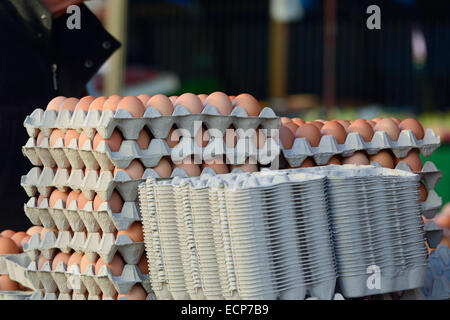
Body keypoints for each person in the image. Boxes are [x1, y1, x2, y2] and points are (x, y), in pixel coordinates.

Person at [0, 0, 120, 229]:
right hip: (17, 225)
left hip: (52, 229)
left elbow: (75, 107)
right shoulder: (11, 28)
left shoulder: (71, 23)